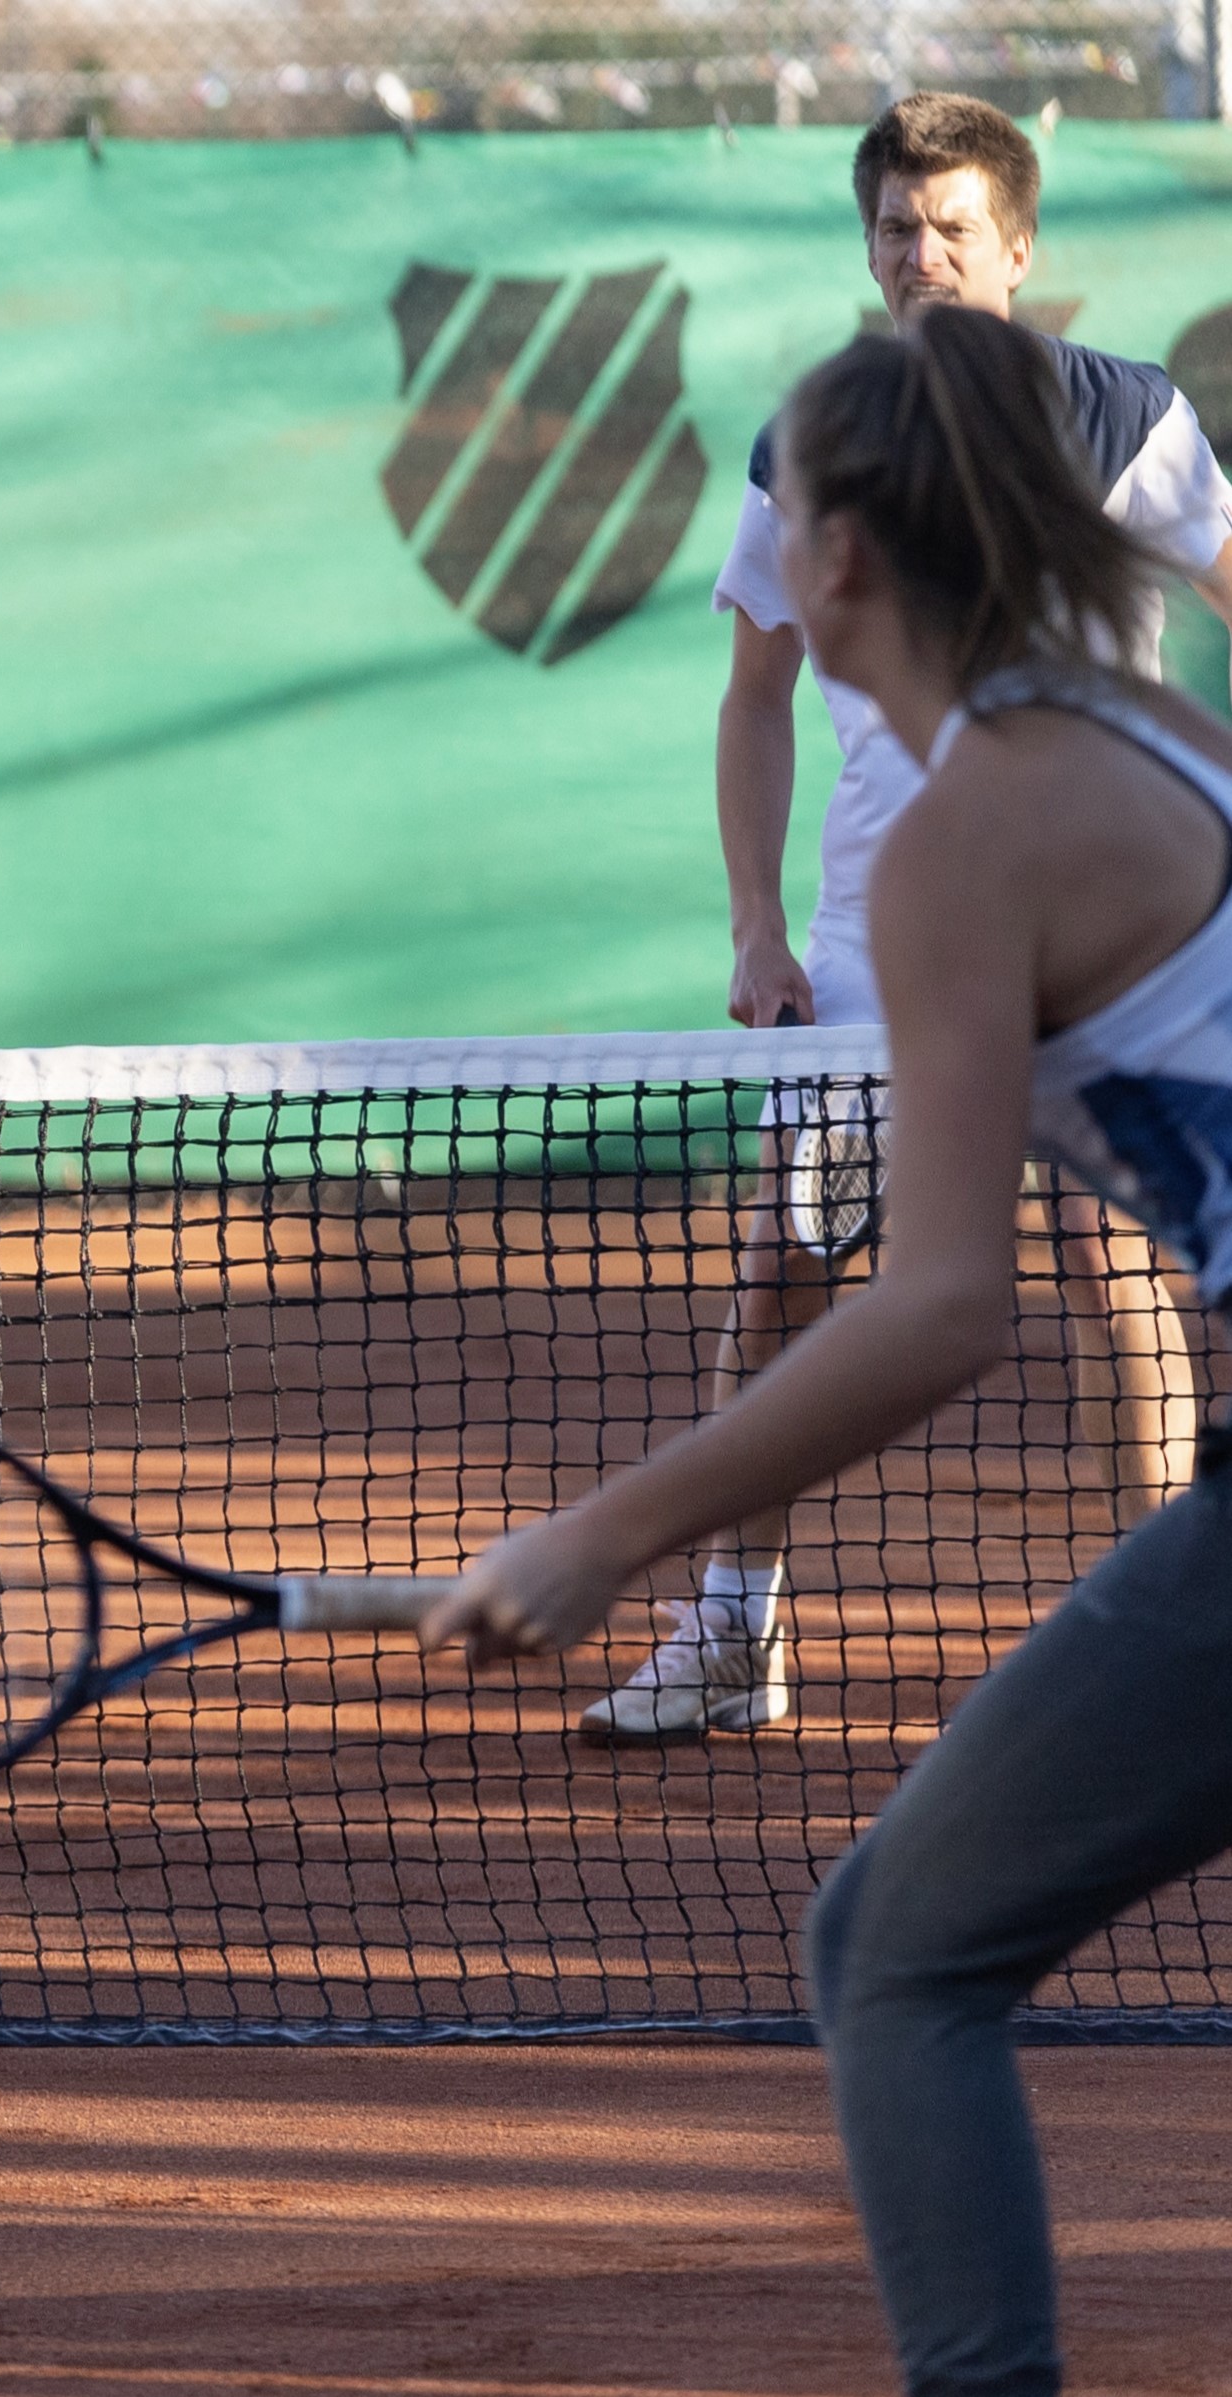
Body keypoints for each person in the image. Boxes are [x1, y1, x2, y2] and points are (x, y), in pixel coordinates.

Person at [440, 304, 1232, 2396]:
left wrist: (607, 1527)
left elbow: (938, 1303)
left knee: (890, 1954)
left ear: (844, 555)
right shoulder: (1151, 738)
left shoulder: (969, 834)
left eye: (777, 496)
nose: (760, 530)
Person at [608, 90, 1232, 1741]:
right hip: (884, 952)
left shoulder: (1123, 420)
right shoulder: (808, 447)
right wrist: (756, 923)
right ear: (867, 247)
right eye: (896, 226)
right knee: (788, 1273)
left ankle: (1172, 1647)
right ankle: (733, 1634)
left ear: (1016, 246)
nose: (924, 253)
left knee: (1116, 1264)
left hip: (1101, 948)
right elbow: (752, 695)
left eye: (954, 225)